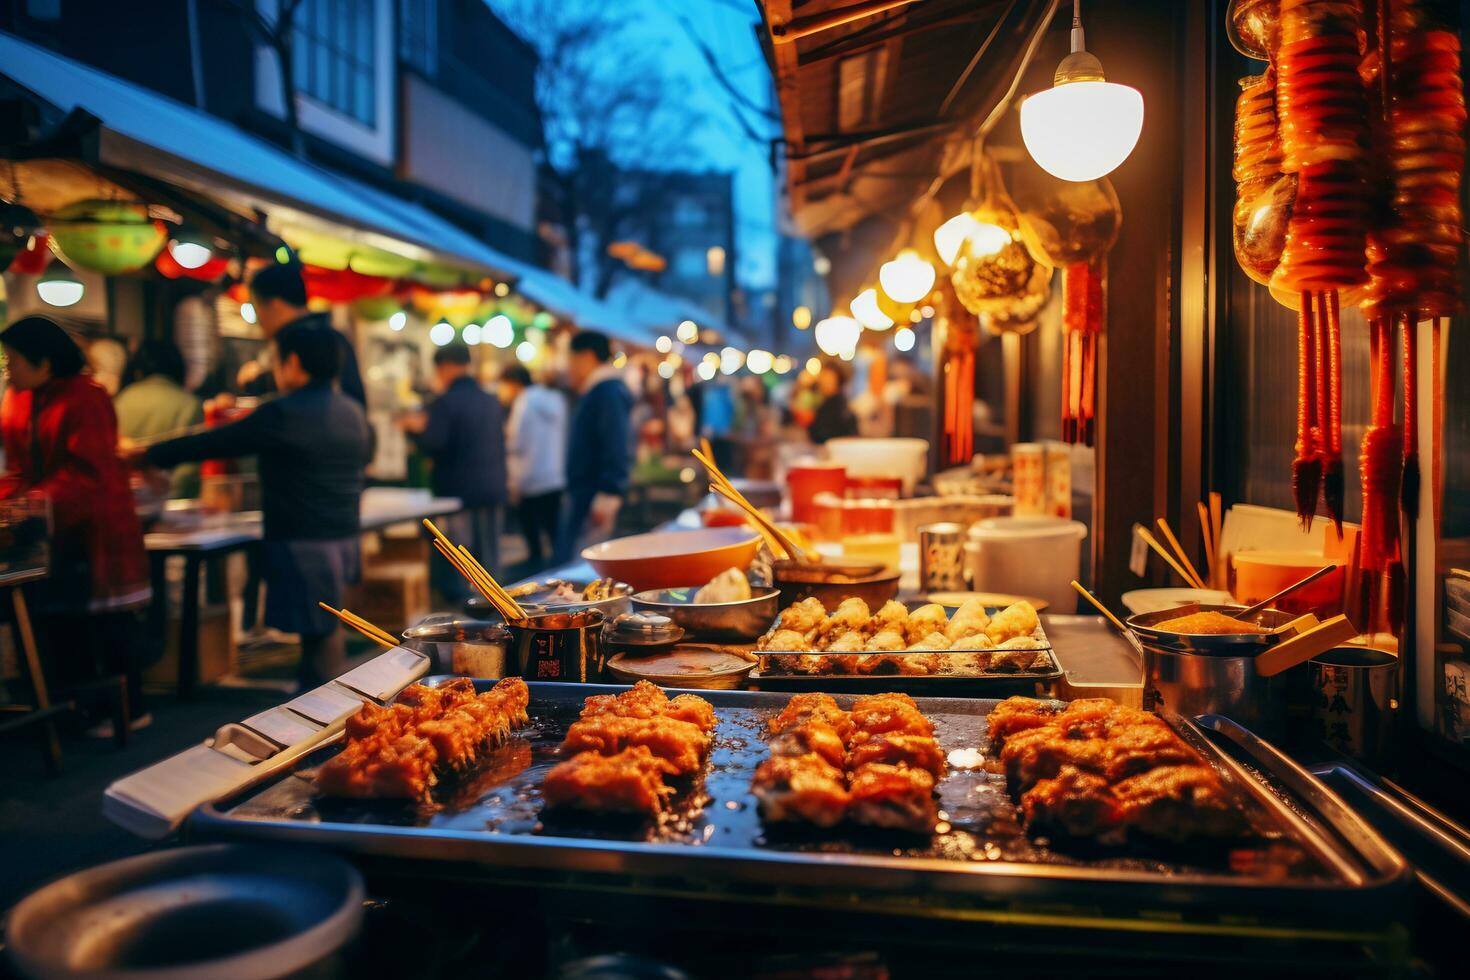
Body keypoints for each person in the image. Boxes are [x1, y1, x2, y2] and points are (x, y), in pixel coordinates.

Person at [139, 324, 371, 689]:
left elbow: (216, 442)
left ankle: (319, 722)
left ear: (293, 362)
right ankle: (327, 712)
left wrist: (146, 454)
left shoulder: (284, 412)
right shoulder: (352, 411)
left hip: (303, 543)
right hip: (343, 540)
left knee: (316, 646)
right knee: (325, 635)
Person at [0, 316, 152, 725]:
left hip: (98, 528)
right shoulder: (18, 398)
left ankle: (127, 712)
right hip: (51, 531)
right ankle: (77, 711)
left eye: (14, 360)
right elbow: (17, 467)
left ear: (45, 362)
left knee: (108, 624)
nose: (9, 370)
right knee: (63, 624)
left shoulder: (86, 397)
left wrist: (33, 500)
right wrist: (13, 501)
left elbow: (90, 472)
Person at [399, 344, 507, 600]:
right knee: (489, 561)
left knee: (460, 560)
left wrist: (413, 429)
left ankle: (465, 615)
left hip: (458, 492)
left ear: (444, 367)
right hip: (492, 487)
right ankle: (495, 612)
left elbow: (433, 443)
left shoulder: (445, 402)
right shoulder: (490, 399)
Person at [236, 262, 366, 407]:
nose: (258, 320)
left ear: (275, 304)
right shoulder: (329, 335)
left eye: (257, 307)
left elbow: (305, 398)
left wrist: (256, 381)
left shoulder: (307, 340)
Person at [555, 331, 633, 564]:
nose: (568, 368)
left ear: (587, 357)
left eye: (570, 360)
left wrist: (609, 492)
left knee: (583, 564)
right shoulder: (601, 390)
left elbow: (616, 444)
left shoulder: (606, 392)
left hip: (592, 494)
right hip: (586, 491)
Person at [114, 339, 203, 498]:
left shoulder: (121, 400)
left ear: (138, 369)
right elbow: (188, 470)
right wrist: (165, 498)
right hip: (174, 507)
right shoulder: (190, 404)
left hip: (126, 500)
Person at [497, 364, 566, 570]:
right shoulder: (557, 399)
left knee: (533, 539)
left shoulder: (524, 402)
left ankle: (538, 577)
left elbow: (516, 441)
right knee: (554, 531)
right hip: (555, 474)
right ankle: (559, 574)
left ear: (513, 383)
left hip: (529, 476)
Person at [808, 361, 858, 444]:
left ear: (838, 381)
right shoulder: (829, 403)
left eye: (827, 378)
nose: (823, 382)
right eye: (822, 377)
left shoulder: (836, 406)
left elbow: (823, 434)